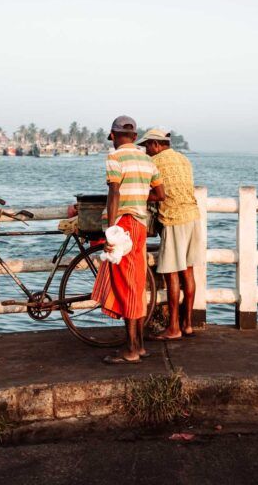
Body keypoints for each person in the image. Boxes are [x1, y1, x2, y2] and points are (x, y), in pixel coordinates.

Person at [92, 115, 165, 364]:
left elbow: (113, 192)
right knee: (135, 282)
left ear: (113, 136)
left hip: (123, 225)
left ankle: (131, 349)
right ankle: (139, 346)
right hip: (140, 226)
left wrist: (111, 229)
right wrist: (139, 198)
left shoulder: (114, 157)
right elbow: (160, 194)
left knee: (126, 286)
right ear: (135, 137)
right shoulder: (146, 160)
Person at [138, 128, 201, 340]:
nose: (146, 150)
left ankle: (173, 328)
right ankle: (188, 324)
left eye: (147, 145)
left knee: (172, 274)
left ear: (156, 144)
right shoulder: (184, 159)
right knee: (188, 272)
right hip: (192, 216)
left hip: (174, 219)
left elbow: (152, 192)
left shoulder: (154, 163)